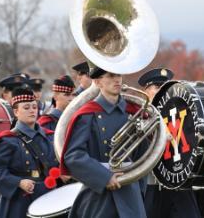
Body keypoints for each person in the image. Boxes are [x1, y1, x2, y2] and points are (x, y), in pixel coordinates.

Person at [61, 66, 147, 218]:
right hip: (98, 194)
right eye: (111, 76)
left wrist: (137, 187)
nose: (117, 79)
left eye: (118, 74)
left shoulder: (134, 112)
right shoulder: (88, 114)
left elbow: (143, 155)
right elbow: (73, 156)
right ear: (98, 82)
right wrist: (104, 177)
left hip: (130, 193)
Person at [0, 87, 60, 218]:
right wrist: (18, 182)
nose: (32, 110)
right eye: (26, 108)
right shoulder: (8, 140)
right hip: (18, 202)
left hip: (45, 197)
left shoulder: (49, 137)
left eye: (34, 107)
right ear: (16, 111)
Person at [138, 68, 201, 218]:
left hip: (179, 185)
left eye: (166, 87)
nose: (162, 91)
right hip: (152, 186)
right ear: (146, 91)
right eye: (157, 87)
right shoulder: (138, 116)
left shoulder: (182, 114)